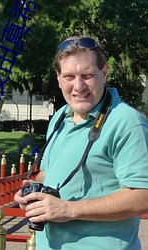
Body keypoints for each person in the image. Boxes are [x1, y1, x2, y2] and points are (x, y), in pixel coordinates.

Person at [14, 36, 148, 250]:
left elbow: (142, 196)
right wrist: (33, 192)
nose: (78, 86)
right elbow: (48, 172)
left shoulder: (126, 121)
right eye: (69, 76)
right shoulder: (60, 117)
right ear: (58, 78)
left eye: (87, 75)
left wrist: (69, 209)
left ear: (104, 73)